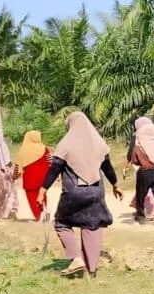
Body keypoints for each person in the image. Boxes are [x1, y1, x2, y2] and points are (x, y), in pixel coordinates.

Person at [37, 112, 123, 279]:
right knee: (93, 225)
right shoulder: (99, 143)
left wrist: (43, 190)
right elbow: (108, 168)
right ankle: (91, 271)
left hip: (73, 193)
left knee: (62, 223)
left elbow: (54, 168)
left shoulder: (66, 143)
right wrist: (116, 185)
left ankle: (76, 259)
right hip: (96, 192)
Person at [15, 130, 51, 221]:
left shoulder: (23, 151)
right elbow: (50, 162)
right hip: (44, 178)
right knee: (42, 194)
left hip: (30, 179)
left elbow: (17, 166)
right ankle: (45, 211)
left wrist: (14, 176)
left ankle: (38, 215)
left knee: (31, 196)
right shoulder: (45, 149)